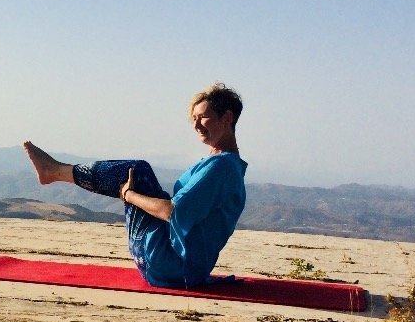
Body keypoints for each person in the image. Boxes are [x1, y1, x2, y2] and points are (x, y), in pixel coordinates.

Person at [23, 83, 248, 287]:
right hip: (183, 268)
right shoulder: (225, 165)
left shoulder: (222, 166)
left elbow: (172, 211)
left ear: (227, 118)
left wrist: (129, 194)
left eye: (203, 117)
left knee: (137, 170)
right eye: (194, 119)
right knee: (143, 176)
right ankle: (55, 171)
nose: (196, 125)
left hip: (169, 264)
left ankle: (53, 171)